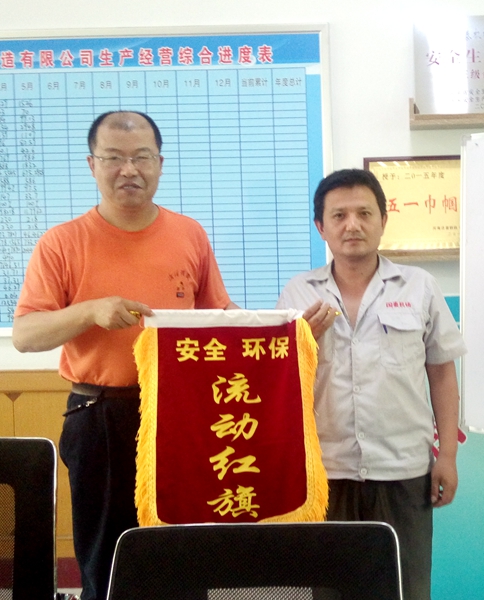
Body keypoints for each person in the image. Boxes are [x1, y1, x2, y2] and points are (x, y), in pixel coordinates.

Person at [12, 111, 237, 600]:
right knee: (108, 558)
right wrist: (90, 310)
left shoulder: (189, 234)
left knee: (184, 553)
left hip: (181, 415)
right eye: (114, 157)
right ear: (92, 164)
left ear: (160, 163)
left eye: (141, 157)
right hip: (100, 417)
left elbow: (220, 317)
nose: (129, 169)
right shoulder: (61, 243)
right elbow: (26, 336)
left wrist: (288, 329)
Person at [276, 168, 466, 600]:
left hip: (404, 470)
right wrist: (303, 342)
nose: (352, 225)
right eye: (339, 215)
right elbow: (279, 380)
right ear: (321, 227)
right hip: (327, 472)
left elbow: (441, 372)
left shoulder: (419, 286)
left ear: (383, 219)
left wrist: (448, 456)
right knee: (330, 590)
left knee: (406, 588)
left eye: (364, 213)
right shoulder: (298, 292)